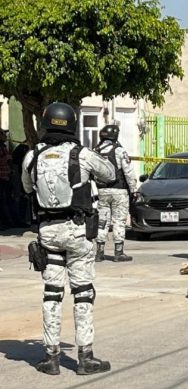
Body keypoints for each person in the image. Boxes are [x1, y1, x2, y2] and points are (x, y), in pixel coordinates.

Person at [21, 102, 115, 375]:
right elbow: (109, 174)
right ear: (72, 125)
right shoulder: (82, 154)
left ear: (45, 124)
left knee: (52, 293)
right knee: (83, 292)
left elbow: (27, 187)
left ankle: (50, 358)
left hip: (47, 232)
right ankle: (85, 357)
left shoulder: (32, 156)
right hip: (77, 231)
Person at [93, 124, 138, 262]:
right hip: (119, 191)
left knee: (102, 221)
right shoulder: (119, 151)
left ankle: (99, 252)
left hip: (102, 191)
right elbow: (128, 172)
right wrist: (134, 190)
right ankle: (119, 252)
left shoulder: (95, 151)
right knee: (119, 221)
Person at [0, 130, 13, 229]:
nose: (5, 136)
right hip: (1, 177)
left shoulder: (3, 146)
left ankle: (7, 221)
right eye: (3, 134)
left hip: (5, 177)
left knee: (6, 200)